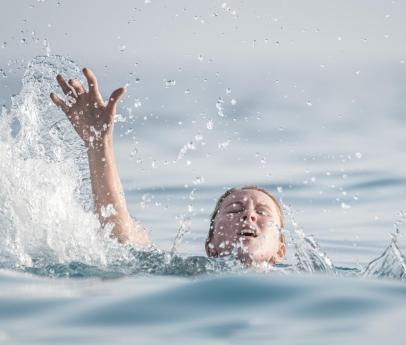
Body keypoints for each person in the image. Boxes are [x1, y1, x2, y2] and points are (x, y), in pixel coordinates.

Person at [50, 68, 286, 266]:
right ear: (211, 245)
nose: (249, 215)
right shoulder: (189, 273)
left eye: (263, 212)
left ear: (280, 250)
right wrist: (99, 144)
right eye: (234, 210)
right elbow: (123, 238)